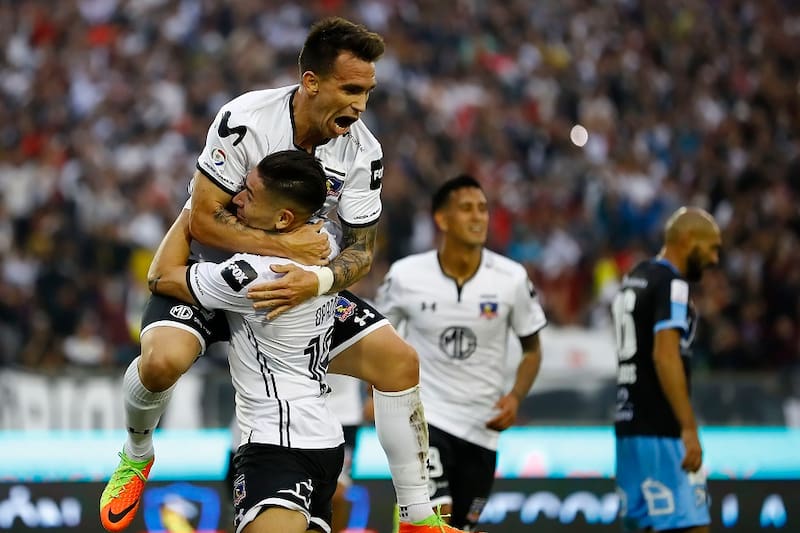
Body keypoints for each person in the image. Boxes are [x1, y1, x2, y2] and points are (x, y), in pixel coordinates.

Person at [100, 16, 469, 533]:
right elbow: (203, 220)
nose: (360, 105)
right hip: (219, 275)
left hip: (291, 290)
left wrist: (313, 280)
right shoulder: (244, 119)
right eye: (350, 89)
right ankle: (137, 454)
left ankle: (415, 515)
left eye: (367, 91)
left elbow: (361, 252)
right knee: (161, 362)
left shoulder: (364, 152)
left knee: (400, 362)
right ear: (311, 82)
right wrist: (282, 244)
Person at [147, 150, 345, 533]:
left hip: (277, 444)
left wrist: (197, 204)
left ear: (283, 218)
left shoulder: (256, 275)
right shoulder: (328, 244)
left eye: (249, 195)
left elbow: (161, 276)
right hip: (324, 438)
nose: (236, 198)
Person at [375, 175, 547, 530]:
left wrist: (515, 397)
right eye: (467, 209)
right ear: (442, 219)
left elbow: (532, 349)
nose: (478, 217)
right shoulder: (405, 276)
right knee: (437, 515)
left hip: (481, 427)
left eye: (483, 209)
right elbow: (377, 339)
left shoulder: (511, 278)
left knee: (460, 529)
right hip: (425, 417)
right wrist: (375, 392)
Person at [612, 206, 721, 533]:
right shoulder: (673, 284)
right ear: (688, 239)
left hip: (628, 427)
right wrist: (687, 427)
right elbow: (665, 355)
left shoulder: (635, 278)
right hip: (662, 431)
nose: (715, 259)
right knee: (692, 526)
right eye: (712, 247)